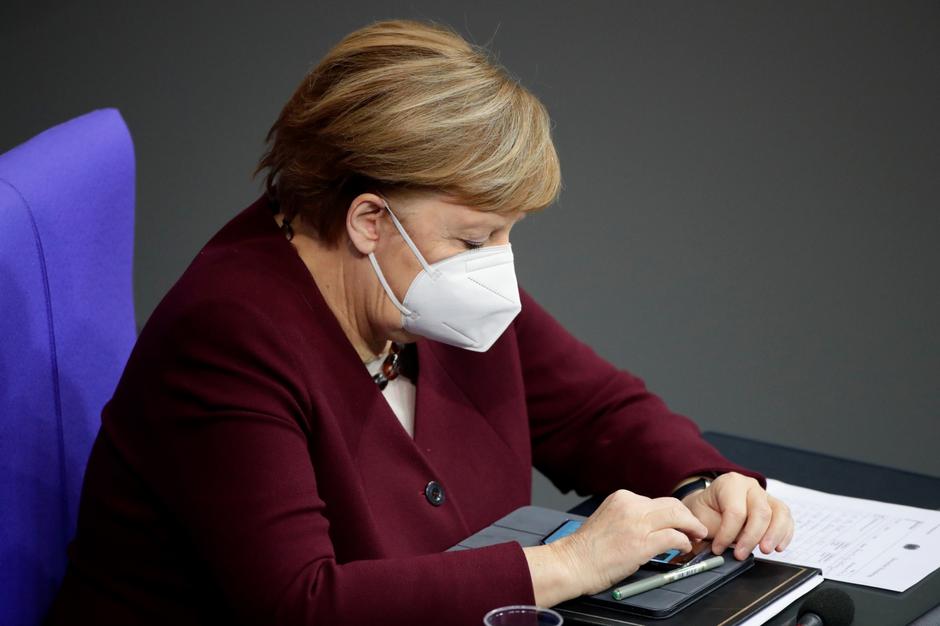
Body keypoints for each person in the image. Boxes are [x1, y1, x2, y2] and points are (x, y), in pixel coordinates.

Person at [47, 18, 793, 626]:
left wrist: (705, 479)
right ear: (370, 220)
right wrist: (571, 563)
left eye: (508, 233)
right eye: (475, 239)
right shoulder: (227, 335)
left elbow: (594, 409)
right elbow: (299, 603)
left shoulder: (419, 289)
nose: (497, 264)